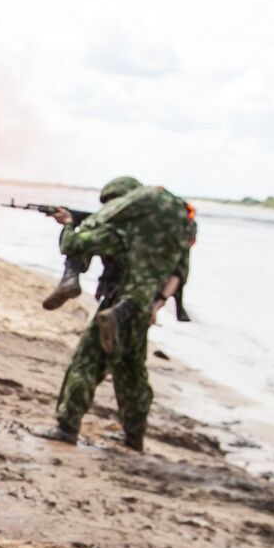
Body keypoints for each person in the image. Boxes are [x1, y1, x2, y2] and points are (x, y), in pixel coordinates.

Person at [32, 177, 191, 451]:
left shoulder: (120, 233)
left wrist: (69, 224)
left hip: (115, 307)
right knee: (132, 372)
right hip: (141, 309)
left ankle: (66, 427)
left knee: (86, 363)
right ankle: (134, 436)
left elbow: (75, 244)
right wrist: (155, 307)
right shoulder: (171, 234)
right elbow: (177, 275)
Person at [40, 175, 141, 310]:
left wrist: (68, 223)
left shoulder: (114, 231)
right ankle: (70, 280)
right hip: (139, 296)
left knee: (81, 243)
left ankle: (70, 278)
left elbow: (70, 245)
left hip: (119, 297)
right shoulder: (147, 227)